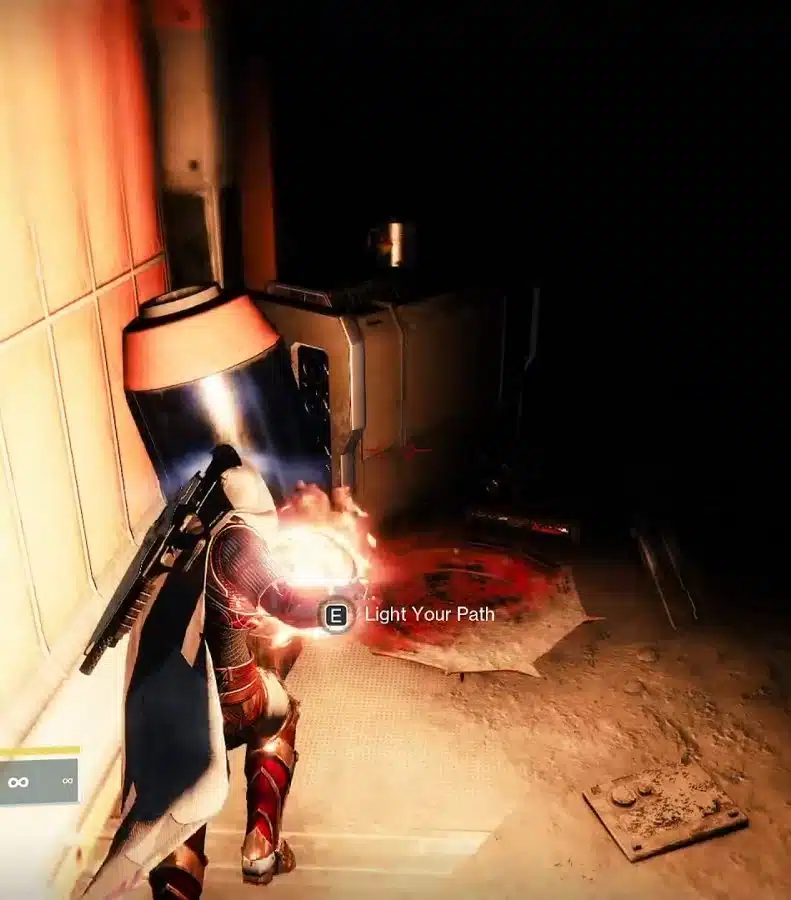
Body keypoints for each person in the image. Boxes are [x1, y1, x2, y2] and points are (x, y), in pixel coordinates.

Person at [83, 459, 365, 900]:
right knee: (279, 713)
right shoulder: (238, 543)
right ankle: (261, 843)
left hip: (172, 694)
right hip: (232, 695)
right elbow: (289, 605)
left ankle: (178, 875)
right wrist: (344, 608)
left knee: (177, 798)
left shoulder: (179, 541)